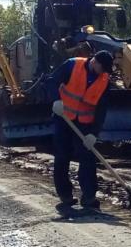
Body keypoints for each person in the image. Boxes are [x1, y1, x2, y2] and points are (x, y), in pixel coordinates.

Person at [48, 50, 114, 210]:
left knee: (88, 157)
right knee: (62, 155)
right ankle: (65, 195)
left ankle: (89, 197)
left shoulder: (104, 80)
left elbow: (101, 109)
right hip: (63, 117)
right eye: (102, 68)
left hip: (84, 123)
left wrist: (94, 133)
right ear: (95, 62)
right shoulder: (72, 65)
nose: (103, 72)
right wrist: (55, 100)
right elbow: (51, 81)